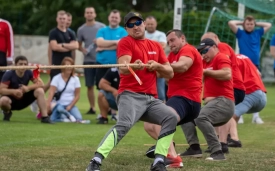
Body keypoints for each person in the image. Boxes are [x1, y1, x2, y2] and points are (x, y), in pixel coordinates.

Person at [86, 12, 177, 171]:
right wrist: (134, 65)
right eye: (130, 25)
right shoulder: (125, 42)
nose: (135, 27)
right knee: (124, 124)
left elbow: (170, 73)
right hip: (130, 95)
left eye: (138, 23)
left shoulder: (155, 45)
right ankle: (95, 161)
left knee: (171, 117)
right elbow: (123, 68)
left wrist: (157, 66)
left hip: (151, 99)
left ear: (143, 24)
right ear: (126, 29)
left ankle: (159, 161)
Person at [144, 29, 203, 168]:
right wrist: (145, 66)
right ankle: (170, 151)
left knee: (161, 118)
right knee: (149, 124)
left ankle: (171, 155)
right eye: (168, 41)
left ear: (182, 38)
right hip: (178, 100)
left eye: (172, 40)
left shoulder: (188, 50)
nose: (170, 44)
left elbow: (182, 66)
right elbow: (161, 73)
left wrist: (159, 66)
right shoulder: (171, 56)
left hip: (187, 99)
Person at [177, 38, 234, 161]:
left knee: (200, 117)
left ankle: (217, 151)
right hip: (213, 104)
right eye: (201, 52)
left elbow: (227, 74)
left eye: (206, 51)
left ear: (214, 47)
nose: (203, 54)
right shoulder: (205, 63)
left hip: (224, 102)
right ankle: (194, 148)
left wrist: (205, 72)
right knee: (186, 116)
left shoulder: (221, 57)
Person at [228, 15, 271, 124]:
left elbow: (268, 25)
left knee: (257, 89)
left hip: (255, 66)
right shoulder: (241, 33)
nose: (250, 26)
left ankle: (256, 117)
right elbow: (231, 23)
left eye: (252, 24)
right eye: (247, 24)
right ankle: (240, 114)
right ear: (244, 24)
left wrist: (256, 23)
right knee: (242, 88)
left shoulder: (257, 33)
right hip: (242, 66)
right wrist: (242, 23)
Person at [227, 54, 267, 146]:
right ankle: (229, 136)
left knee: (229, 115)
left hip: (250, 94)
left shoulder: (227, 61)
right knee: (234, 114)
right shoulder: (244, 57)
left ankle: (233, 139)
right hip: (261, 95)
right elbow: (259, 73)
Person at [0, 56, 52, 124]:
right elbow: (1, 90)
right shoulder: (9, 74)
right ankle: (7, 112)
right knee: (3, 100)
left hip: (23, 99)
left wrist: (27, 88)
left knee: (40, 90)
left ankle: (45, 117)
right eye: (20, 64)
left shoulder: (29, 72)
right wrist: (14, 91)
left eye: (25, 64)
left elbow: (41, 84)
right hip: (10, 101)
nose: (23, 66)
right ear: (15, 65)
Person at [77, 7, 106, 115]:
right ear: (85, 15)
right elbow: (79, 45)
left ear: (95, 14)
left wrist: (101, 44)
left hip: (101, 61)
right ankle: (92, 108)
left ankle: (104, 108)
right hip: (88, 61)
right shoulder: (81, 29)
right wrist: (82, 49)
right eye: (87, 13)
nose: (89, 14)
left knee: (102, 85)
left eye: (91, 12)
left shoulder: (102, 27)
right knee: (89, 85)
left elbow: (107, 41)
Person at [95, 9, 127, 90]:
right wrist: (116, 42)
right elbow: (99, 43)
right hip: (102, 64)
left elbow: (121, 46)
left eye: (116, 17)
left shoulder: (123, 32)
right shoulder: (102, 30)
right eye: (112, 17)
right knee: (101, 89)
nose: (114, 19)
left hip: (116, 66)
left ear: (119, 19)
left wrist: (104, 47)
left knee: (117, 88)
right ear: (109, 18)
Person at [47, 57, 82, 123]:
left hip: (70, 104)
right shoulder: (56, 78)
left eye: (70, 65)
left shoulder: (76, 79)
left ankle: (66, 117)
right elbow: (51, 92)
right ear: (63, 67)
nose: (69, 67)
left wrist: (70, 106)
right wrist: (48, 104)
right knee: (60, 109)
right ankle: (67, 116)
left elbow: (77, 95)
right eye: (67, 65)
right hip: (59, 103)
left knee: (79, 118)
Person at [48, 10, 78, 80]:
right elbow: (54, 47)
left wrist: (63, 45)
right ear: (57, 19)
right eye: (60, 18)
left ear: (66, 20)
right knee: (55, 85)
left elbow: (76, 46)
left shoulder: (71, 33)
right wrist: (70, 47)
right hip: (57, 64)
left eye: (64, 19)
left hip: (68, 65)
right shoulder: (53, 33)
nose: (62, 20)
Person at [145, 16, 167, 102]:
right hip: (144, 67)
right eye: (148, 24)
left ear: (156, 24)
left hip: (158, 66)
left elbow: (163, 46)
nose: (150, 26)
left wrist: (145, 47)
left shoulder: (161, 34)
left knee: (160, 93)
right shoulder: (142, 34)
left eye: (152, 24)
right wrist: (155, 44)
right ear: (145, 24)